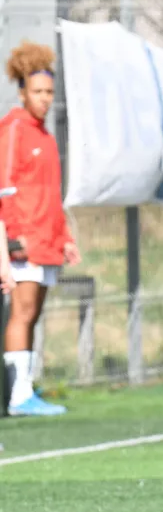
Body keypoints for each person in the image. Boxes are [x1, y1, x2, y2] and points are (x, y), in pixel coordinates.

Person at [0, 41, 79, 416]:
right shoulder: (14, 129)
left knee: (33, 314)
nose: (45, 99)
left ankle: (24, 389)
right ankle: (17, 396)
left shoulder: (45, 136)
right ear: (22, 93)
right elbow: (5, 187)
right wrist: (16, 237)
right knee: (22, 312)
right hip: (26, 243)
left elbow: (50, 196)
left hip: (47, 242)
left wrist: (64, 238)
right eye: (37, 92)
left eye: (49, 92)